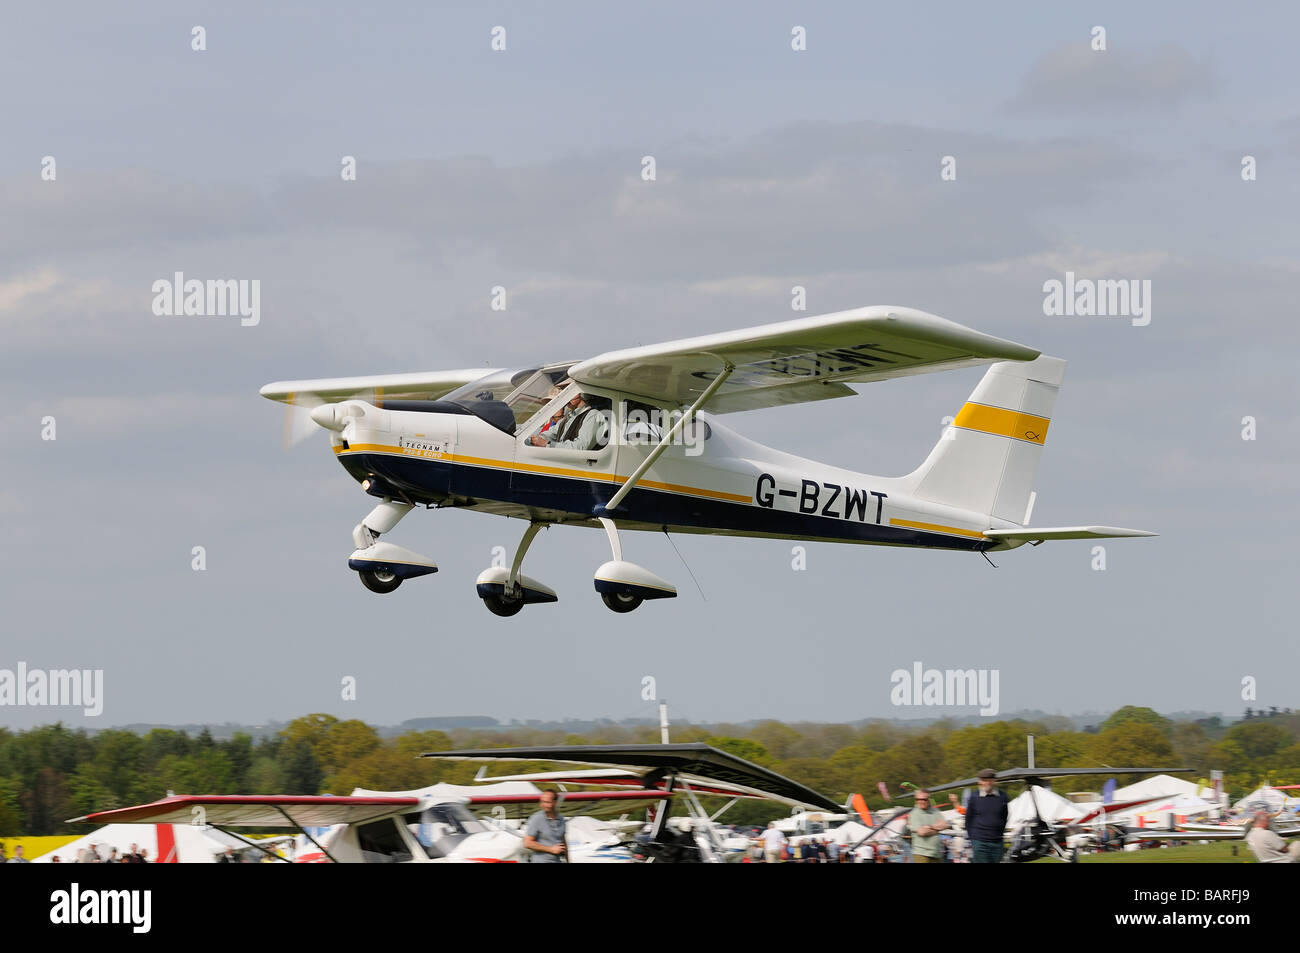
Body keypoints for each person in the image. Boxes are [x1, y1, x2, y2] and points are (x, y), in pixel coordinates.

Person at [530, 393, 607, 451]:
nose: (566, 396)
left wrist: (547, 444)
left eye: (570, 392)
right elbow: (550, 433)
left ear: (582, 394)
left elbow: (580, 447)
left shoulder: (593, 415)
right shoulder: (568, 417)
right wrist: (535, 439)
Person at [965, 769, 1009, 863]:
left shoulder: (1003, 796)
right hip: (979, 841)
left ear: (993, 781)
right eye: (981, 780)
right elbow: (968, 819)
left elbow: (1004, 816)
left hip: (997, 841)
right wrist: (973, 838)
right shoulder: (974, 797)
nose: (981, 783)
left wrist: (999, 833)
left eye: (985, 780)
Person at [522, 790, 567, 863]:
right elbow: (527, 843)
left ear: (555, 803)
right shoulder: (536, 818)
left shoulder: (561, 818)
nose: (543, 805)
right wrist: (551, 849)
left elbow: (564, 843)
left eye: (547, 802)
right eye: (542, 802)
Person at [907, 790, 949, 863]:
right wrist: (937, 829)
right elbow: (922, 832)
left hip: (936, 853)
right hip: (921, 853)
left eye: (924, 799)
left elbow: (945, 825)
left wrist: (929, 826)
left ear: (929, 799)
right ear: (915, 800)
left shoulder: (935, 811)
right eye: (918, 799)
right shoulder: (914, 814)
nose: (921, 801)